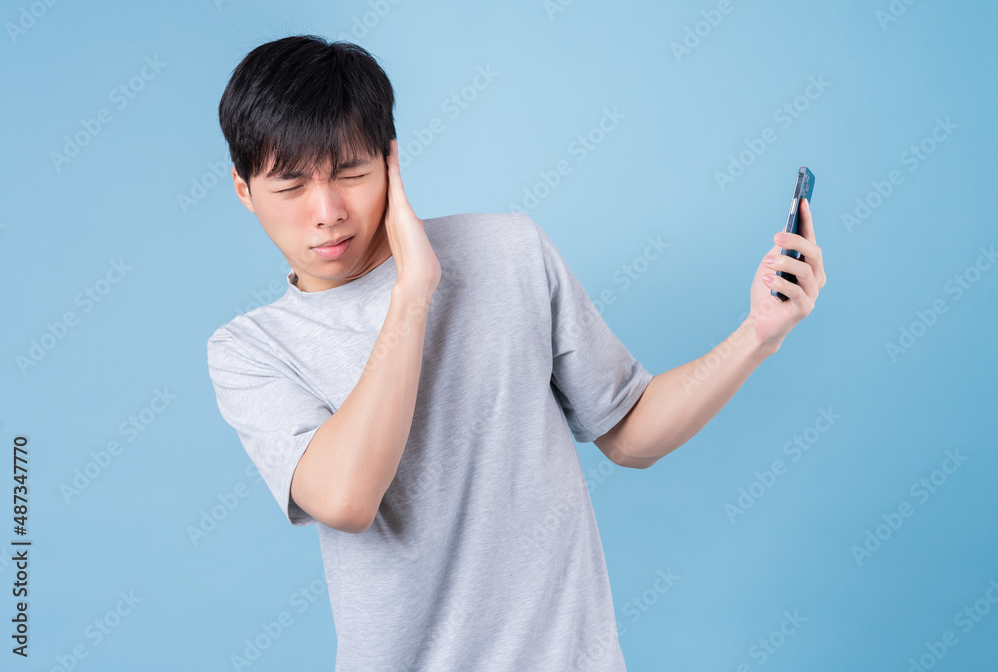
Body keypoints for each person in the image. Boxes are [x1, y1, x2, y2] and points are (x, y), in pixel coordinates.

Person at [206, 34, 825, 671]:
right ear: (244, 189)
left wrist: (758, 334)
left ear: (392, 161)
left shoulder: (509, 251)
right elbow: (346, 499)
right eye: (291, 188)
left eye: (352, 174)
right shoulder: (251, 351)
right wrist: (413, 289)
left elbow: (630, 431)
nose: (328, 212)